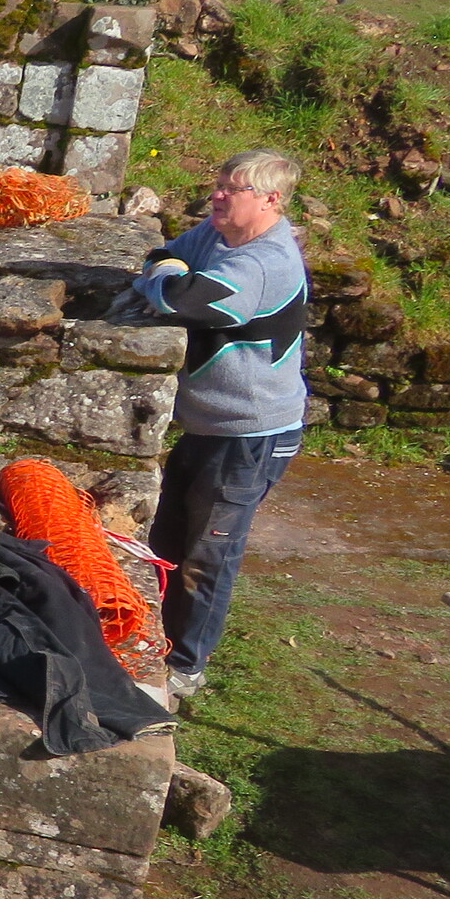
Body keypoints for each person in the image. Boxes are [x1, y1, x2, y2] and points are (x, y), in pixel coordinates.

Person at [132, 148, 312, 700]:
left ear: (271, 200)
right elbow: (163, 254)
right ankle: (151, 642)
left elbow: (182, 297)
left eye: (233, 188)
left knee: (208, 556)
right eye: (219, 183)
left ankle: (185, 667)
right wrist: (164, 272)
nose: (217, 195)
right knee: (165, 538)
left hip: (249, 437)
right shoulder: (217, 234)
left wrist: (162, 279)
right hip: (209, 425)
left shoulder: (265, 263)